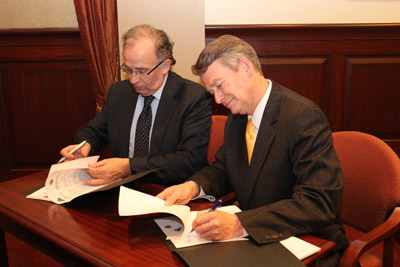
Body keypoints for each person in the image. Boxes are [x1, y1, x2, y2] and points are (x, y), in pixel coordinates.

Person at [157, 35, 348, 266]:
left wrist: (241, 223)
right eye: (211, 91)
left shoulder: (302, 117)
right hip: (255, 239)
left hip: (309, 242)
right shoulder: (237, 118)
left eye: (219, 85)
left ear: (245, 66)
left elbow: (318, 203)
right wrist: (192, 187)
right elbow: (224, 168)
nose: (217, 99)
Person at [59, 24, 212, 186]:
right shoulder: (119, 92)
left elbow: (188, 160)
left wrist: (128, 167)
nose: (133, 79)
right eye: (128, 69)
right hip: (120, 189)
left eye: (141, 71)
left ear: (165, 66)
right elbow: (94, 131)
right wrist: (83, 145)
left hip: (170, 191)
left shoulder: (192, 97)